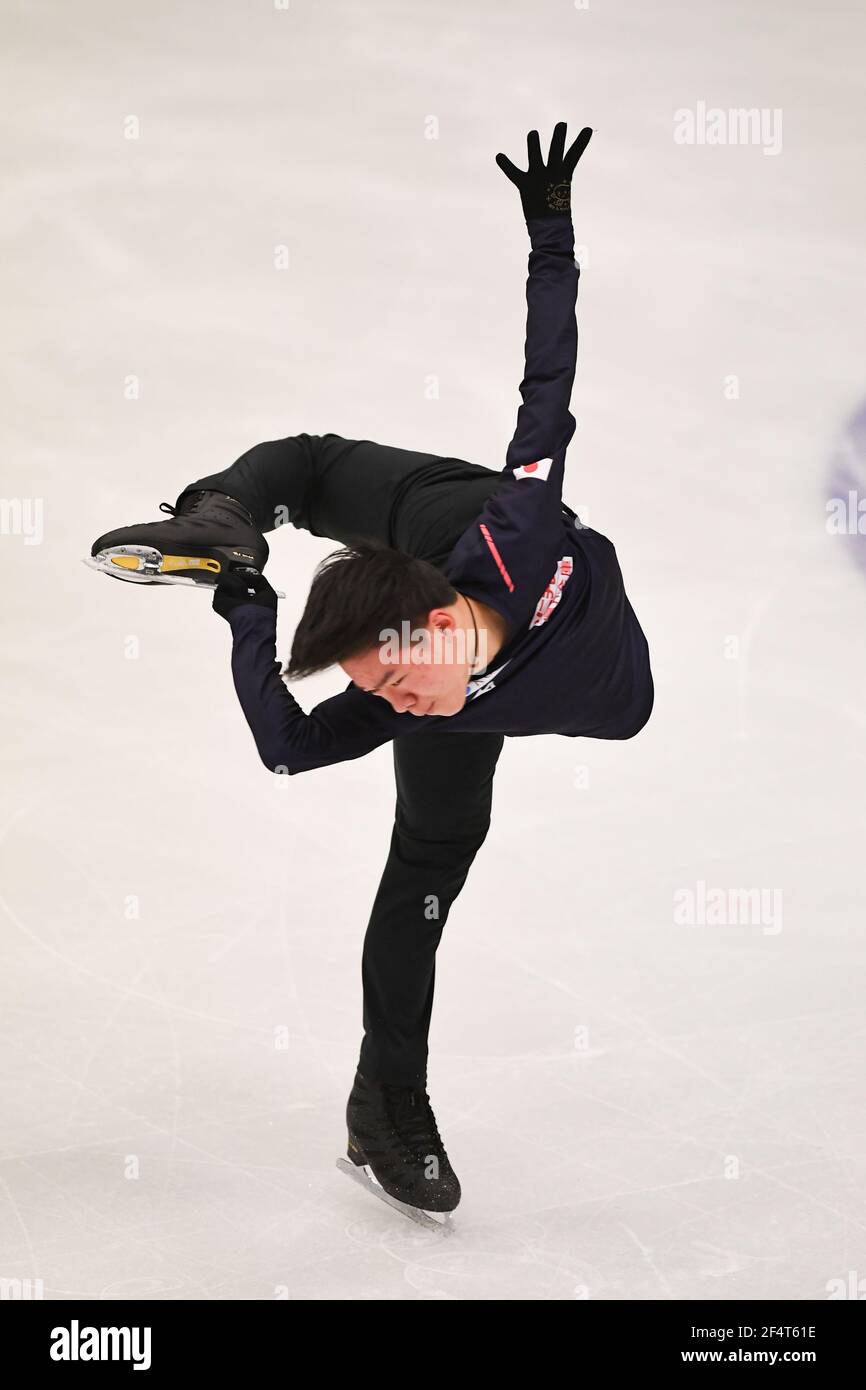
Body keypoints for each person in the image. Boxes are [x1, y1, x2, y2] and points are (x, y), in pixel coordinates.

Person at [87, 122, 653, 1223]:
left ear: (438, 616)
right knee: (426, 868)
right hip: (444, 622)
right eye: (378, 693)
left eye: (395, 681)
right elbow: (288, 745)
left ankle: (244, 508)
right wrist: (246, 609)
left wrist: (551, 234)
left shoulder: (508, 534)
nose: (387, 709)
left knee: (321, 465)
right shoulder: (416, 696)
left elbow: (549, 381)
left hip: (446, 528)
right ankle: (382, 1103)